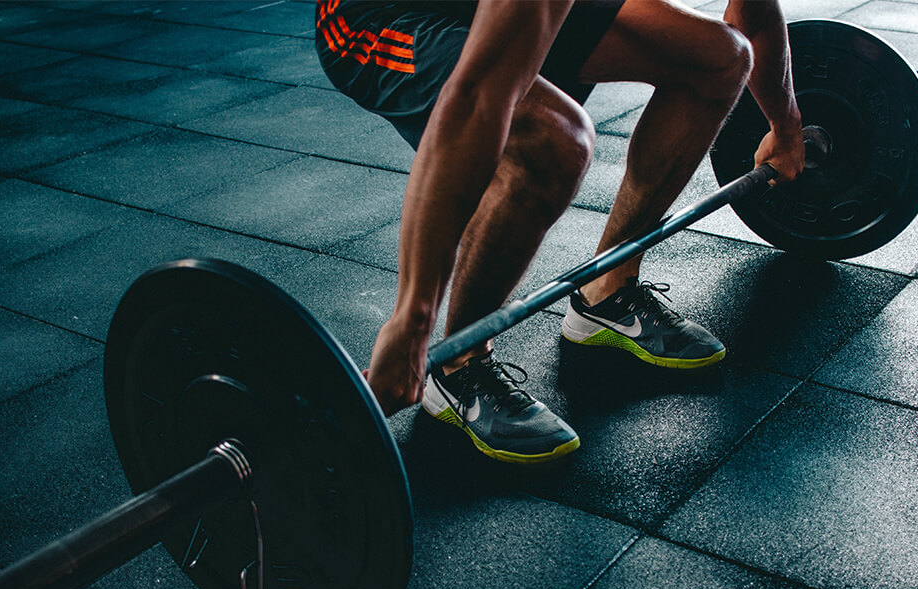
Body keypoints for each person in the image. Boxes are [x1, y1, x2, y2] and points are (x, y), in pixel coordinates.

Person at [315, 0, 804, 463]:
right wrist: (412, 320)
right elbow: (479, 97)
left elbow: (754, 16)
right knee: (555, 139)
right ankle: (459, 365)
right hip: (379, 15)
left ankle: (606, 291)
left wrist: (785, 125)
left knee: (720, 58)